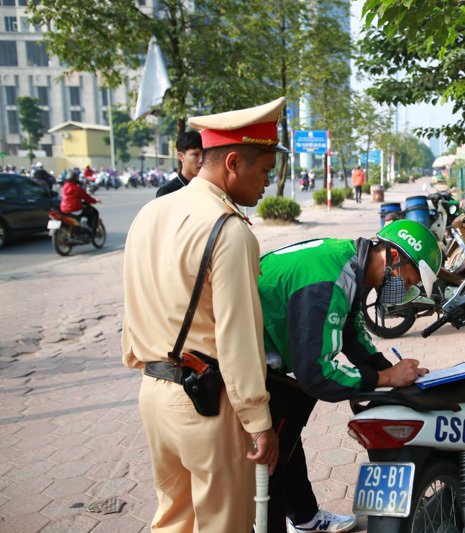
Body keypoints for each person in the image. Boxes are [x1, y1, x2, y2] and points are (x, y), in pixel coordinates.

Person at [121, 97, 290, 532]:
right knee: (222, 524)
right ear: (233, 162)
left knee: (173, 518)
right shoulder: (229, 230)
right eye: (265, 170)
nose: (268, 183)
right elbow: (239, 338)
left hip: (154, 392)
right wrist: (259, 422)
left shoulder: (149, 213)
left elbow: (132, 305)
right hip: (207, 407)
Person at [257, 219, 440, 533]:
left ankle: (304, 517)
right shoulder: (328, 281)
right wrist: (384, 379)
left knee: (286, 435)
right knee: (268, 461)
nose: (406, 290)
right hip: (233, 365)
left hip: (265, 360)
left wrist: (389, 370)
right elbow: (316, 375)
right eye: (409, 281)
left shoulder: (352, 263)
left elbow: (352, 335)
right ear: (393, 257)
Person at [157, 131, 204, 197]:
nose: (201, 160)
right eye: (195, 154)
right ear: (181, 156)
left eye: (204, 154)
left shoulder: (208, 187)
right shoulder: (167, 192)